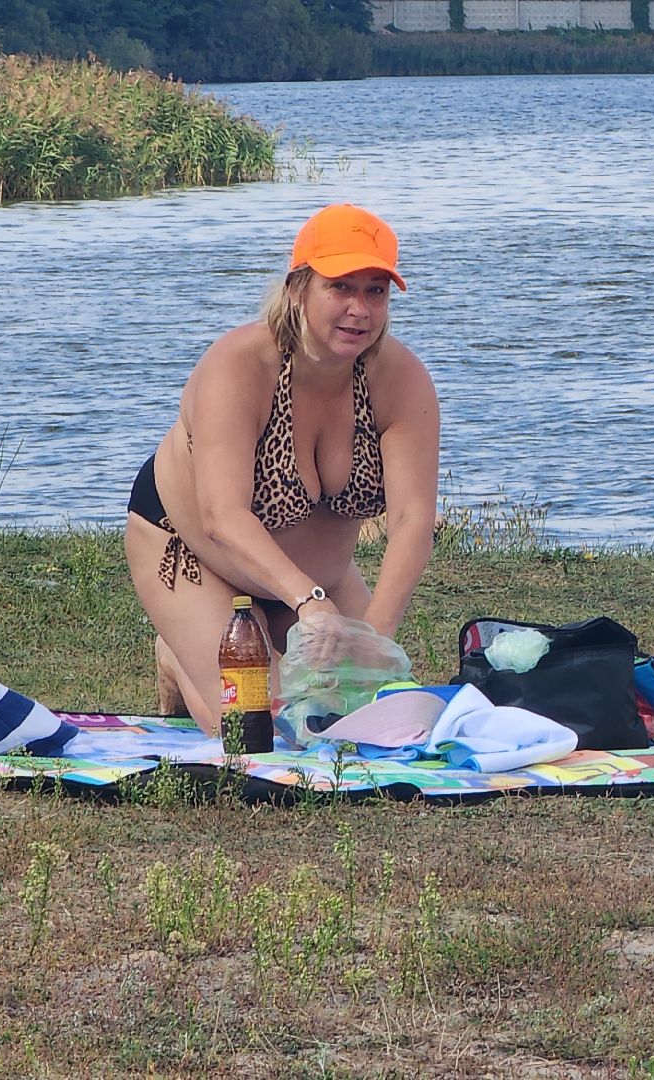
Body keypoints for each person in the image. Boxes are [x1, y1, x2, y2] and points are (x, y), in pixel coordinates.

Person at [125, 204, 440, 734]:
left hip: (316, 582)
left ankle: (278, 635)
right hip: (193, 551)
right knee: (261, 726)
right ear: (298, 288)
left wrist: (375, 637)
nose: (359, 309)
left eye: (375, 291)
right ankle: (178, 655)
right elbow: (221, 515)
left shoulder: (399, 380)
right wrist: (310, 603)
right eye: (340, 287)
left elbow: (413, 520)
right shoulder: (240, 365)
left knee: (372, 718)